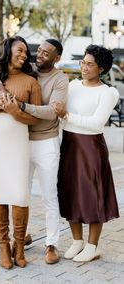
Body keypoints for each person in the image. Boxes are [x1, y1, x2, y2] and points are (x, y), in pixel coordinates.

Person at [0, 39, 69, 264]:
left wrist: (18, 107)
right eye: (38, 51)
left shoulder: (60, 79)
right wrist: (0, 88)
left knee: (49, 194)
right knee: (21, 192)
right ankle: (20, 238)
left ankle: (51, 243)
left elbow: (52, 112)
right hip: (19, 142)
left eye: (46, 53)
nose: (39, 55)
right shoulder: (28, 69)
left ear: (56, 58)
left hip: (45, 141)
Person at [0, 36, 42, 269]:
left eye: (26, 52)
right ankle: (3, 247)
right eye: (19, 50)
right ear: (7, 50)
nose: (24, 54)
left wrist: (14, 110)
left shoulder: (31, 82)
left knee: (20, 194)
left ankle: (20, 247)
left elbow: (35, 119)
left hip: (18, 144)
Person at [53, 44, 120, 262]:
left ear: (101, 68)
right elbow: (62, 115)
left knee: (93, 194)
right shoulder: (72, 86)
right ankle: (77, 241)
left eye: (90, 64)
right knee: (70, 190)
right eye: (83, 62)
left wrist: (68, 115)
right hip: (70, 143)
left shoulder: (108, 93)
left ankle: (92, 246)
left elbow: (96, 123)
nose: (84, 67)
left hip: (91, 147)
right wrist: (63, 115)